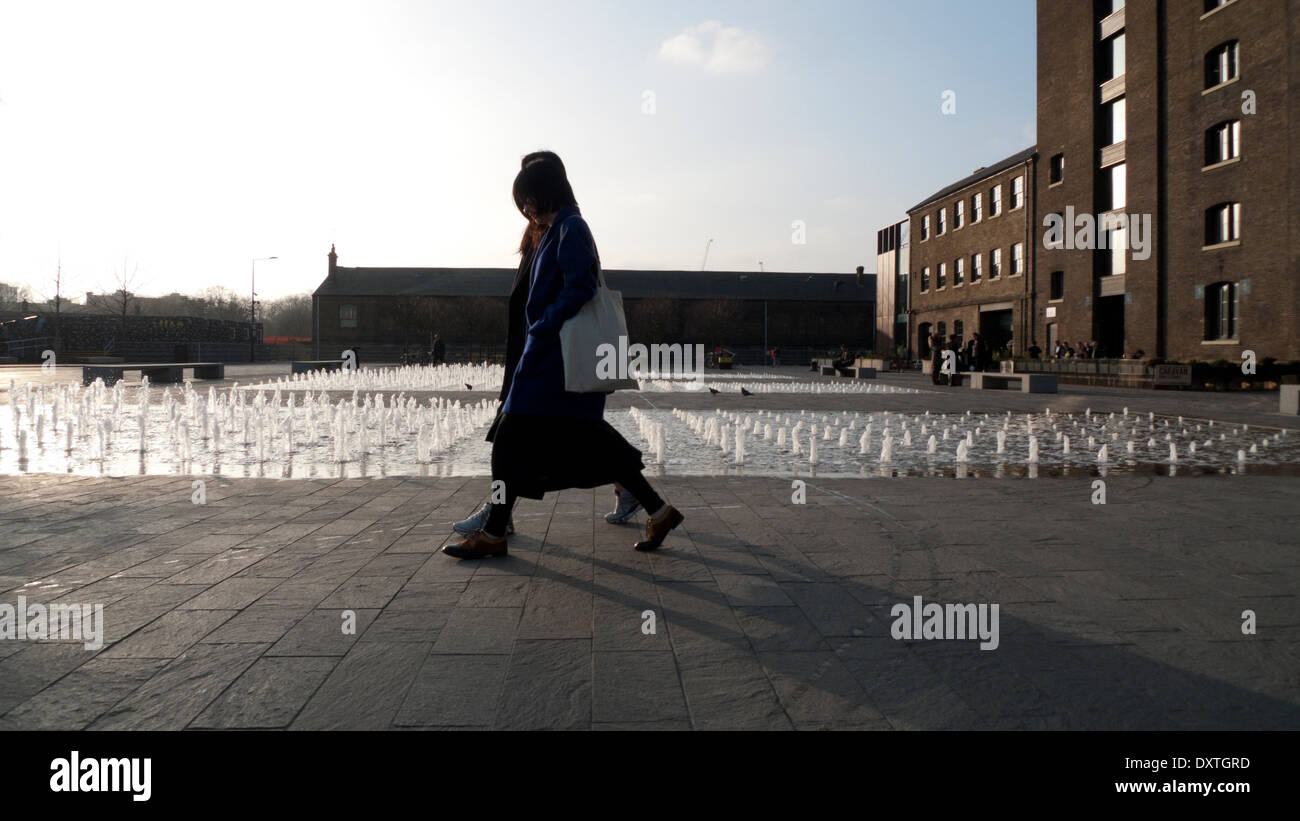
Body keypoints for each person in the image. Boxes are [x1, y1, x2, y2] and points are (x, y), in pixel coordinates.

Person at [445, 155, 683, 559]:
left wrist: (543, 326)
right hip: (550, 360)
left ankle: (496, 530)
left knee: (509, 443)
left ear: (542, 193)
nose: (525, 209)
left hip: (554, 362)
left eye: (526, 199)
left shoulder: (570, 226)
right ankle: (658, 511)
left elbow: (581, 285)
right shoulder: (558, 228)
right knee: (587, 439)